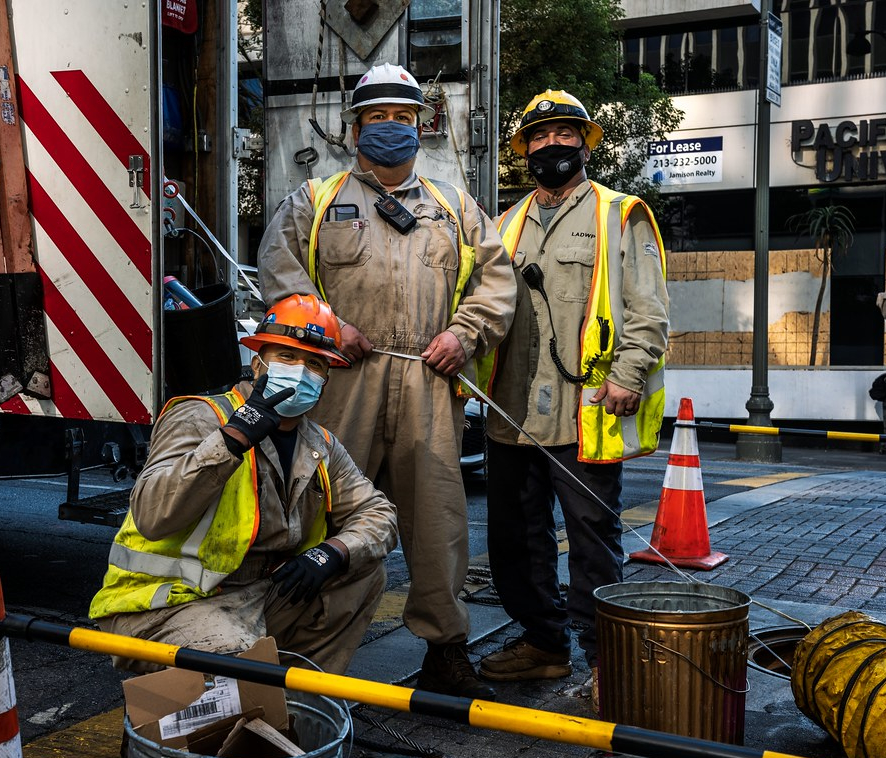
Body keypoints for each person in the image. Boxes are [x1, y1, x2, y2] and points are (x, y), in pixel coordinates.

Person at [258, 63, 516, 698]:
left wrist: (465, 333)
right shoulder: (314, 204)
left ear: (421, 127)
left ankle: (445, 647)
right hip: (342, 379)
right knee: (323, 514)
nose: (391, 128)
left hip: (429, 380)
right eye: (378, 117)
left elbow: (497, 280)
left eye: (402, 117)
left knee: (438, 522)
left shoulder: (455, 209)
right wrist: (327, 327)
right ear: (354, 128)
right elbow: (278, 271)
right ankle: (305, 640)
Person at [89, 295, 398, 675]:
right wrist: (231, 440)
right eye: (286, 357)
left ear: (325, 382)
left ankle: (294, 703)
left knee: (363, 573)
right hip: (165, 603)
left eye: (315, 364)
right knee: (236, 661)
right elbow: (152, 516)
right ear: (257, 364)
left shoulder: (319, 445)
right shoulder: (202, 417)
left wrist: (332, 551)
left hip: (255, 595)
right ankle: (233, 711)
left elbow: (378, 513)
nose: (300, 372)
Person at [478, 90, 670, 699]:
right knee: (515, 538)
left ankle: (601, 662)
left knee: (592, 543)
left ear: (584, 143)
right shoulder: (504, 224)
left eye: (563, 134)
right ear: (523, 151)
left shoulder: (620, 214)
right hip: (511, 414)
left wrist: (629, 375)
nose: (550, 145)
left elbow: (649, 311)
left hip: (585, 412)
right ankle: (543, 644)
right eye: (538, 137)